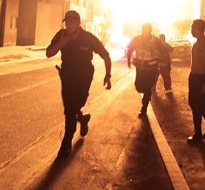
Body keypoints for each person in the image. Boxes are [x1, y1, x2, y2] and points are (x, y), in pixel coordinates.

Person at [46, 10, 112, 157]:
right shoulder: (61, 35)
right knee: (69, 110)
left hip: (84, 77)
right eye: (67, 22)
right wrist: (62, 43)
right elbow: (49, 53)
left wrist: (108, 75)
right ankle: (67, 141)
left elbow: (106, 55)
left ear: (78, 23)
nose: (69, 25)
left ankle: (82, 118)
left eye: (72, 22)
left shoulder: (88, 38)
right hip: (67, 76)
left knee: (76, 105)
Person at [126, 23, 160, 117]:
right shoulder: (137, 39)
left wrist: (163, 61)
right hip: (141, 68)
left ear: (150, 30)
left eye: (146, 29)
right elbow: (130, 49)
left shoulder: (155, 40)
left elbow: (163, 49)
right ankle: (147, 95)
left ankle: (144, 108)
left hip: (151, 69)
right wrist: (128, 60)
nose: (144, 31)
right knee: (138, 86)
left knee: (148, 87)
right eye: (143, 29)